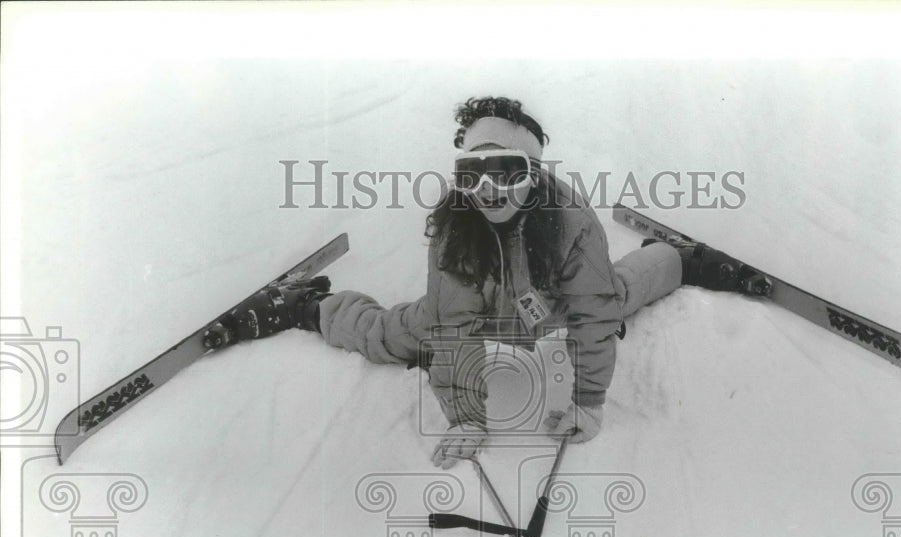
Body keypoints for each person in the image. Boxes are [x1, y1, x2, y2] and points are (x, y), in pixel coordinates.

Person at [223, 97, 743, 468]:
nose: (489, 190)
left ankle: (676, 259)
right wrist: (466, 415)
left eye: (506, 171)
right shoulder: (456, 227)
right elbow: (452, 328)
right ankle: (308, 308)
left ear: (534, 173)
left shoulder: (570, 223)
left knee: (610, 299)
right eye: (473, 174)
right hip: (485, 307)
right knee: (395, 336)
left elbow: (589, 313)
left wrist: (587, 399)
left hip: (550, 304)